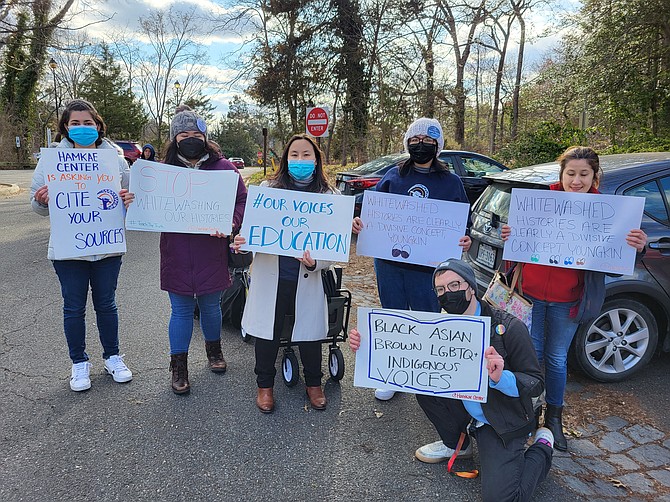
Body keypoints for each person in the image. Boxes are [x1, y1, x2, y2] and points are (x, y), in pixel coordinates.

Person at [349, 259, 553, 502]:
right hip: (466, 410)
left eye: (455, 285)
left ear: (471, 288)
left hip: (500, 420)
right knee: (423, 383)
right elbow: (404, 358)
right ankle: (457, 444)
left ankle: (543, 447)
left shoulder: (509, 327)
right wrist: (367, 346)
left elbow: (535, 382)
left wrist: (500, 378)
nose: (449, 293)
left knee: (503, 498)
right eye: (441, 290)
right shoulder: (438, 327)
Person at [501, 146, 647, 451]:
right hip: (530, 295)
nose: (576, 180)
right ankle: (528, 414)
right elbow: (520, 240)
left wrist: (638, 246)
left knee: (555, 359)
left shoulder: (609, 211)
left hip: (568, 299)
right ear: (562, 174)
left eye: (584, 174)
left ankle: (553, 418)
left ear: (595, 175)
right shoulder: (540, 202)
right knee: (531, 356)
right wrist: (510, 234)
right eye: (571, 173)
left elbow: (617, 258)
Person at [121, 110, 247, 394]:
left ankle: (214, 352)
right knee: (180, 310)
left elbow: (242, 200)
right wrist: (132, 200)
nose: (190, 139)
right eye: (184, 134)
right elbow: (144, 202)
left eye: (196, 135)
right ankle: (179, 366)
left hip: (211, 250)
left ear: (205, 137)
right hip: (176, 250)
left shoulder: (225, 169)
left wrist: (232, 222)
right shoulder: (160, 171)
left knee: (211, 307)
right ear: (174, 138)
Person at [352, 117, 472, 401]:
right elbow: (372, 211)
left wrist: (465, 238)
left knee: (426, 319)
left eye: (428, 142)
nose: (421, 146)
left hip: (428, 269)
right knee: (393, 316)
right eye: (415, 141)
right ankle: (393, 374)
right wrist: (359, 222)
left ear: (438, 146)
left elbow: (461, 222)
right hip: (390, 264)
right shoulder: (394, 176)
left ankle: (423, 373)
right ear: (407, 143)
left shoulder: (450, 182)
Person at [30, 98, 133, 392]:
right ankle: (79, 363)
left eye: (88, 122)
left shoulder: (115, 159)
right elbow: (36, 206)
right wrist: (40, 200)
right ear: (65, 127)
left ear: (98, 126)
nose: (82, 127)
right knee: (73, 308)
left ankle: (112, 356)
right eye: (75, 123)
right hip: (68, 249)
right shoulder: (51, 161)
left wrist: (128, 200)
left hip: (106, 247)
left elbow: (128, 199)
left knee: (107, 305)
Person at [232, 134, 337, 413]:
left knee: (310, 335)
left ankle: (314, 384)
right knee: (268, 333)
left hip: (307, 276)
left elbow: (334, 247)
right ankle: (264, 386)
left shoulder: (329, 197)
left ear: (316, 160)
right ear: (285, 159)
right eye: (294, 155)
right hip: (272, 277)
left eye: (306, 155)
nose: (300, 160)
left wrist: (317, 263)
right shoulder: (268, 191)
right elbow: (250, 234)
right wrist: (243, 243)